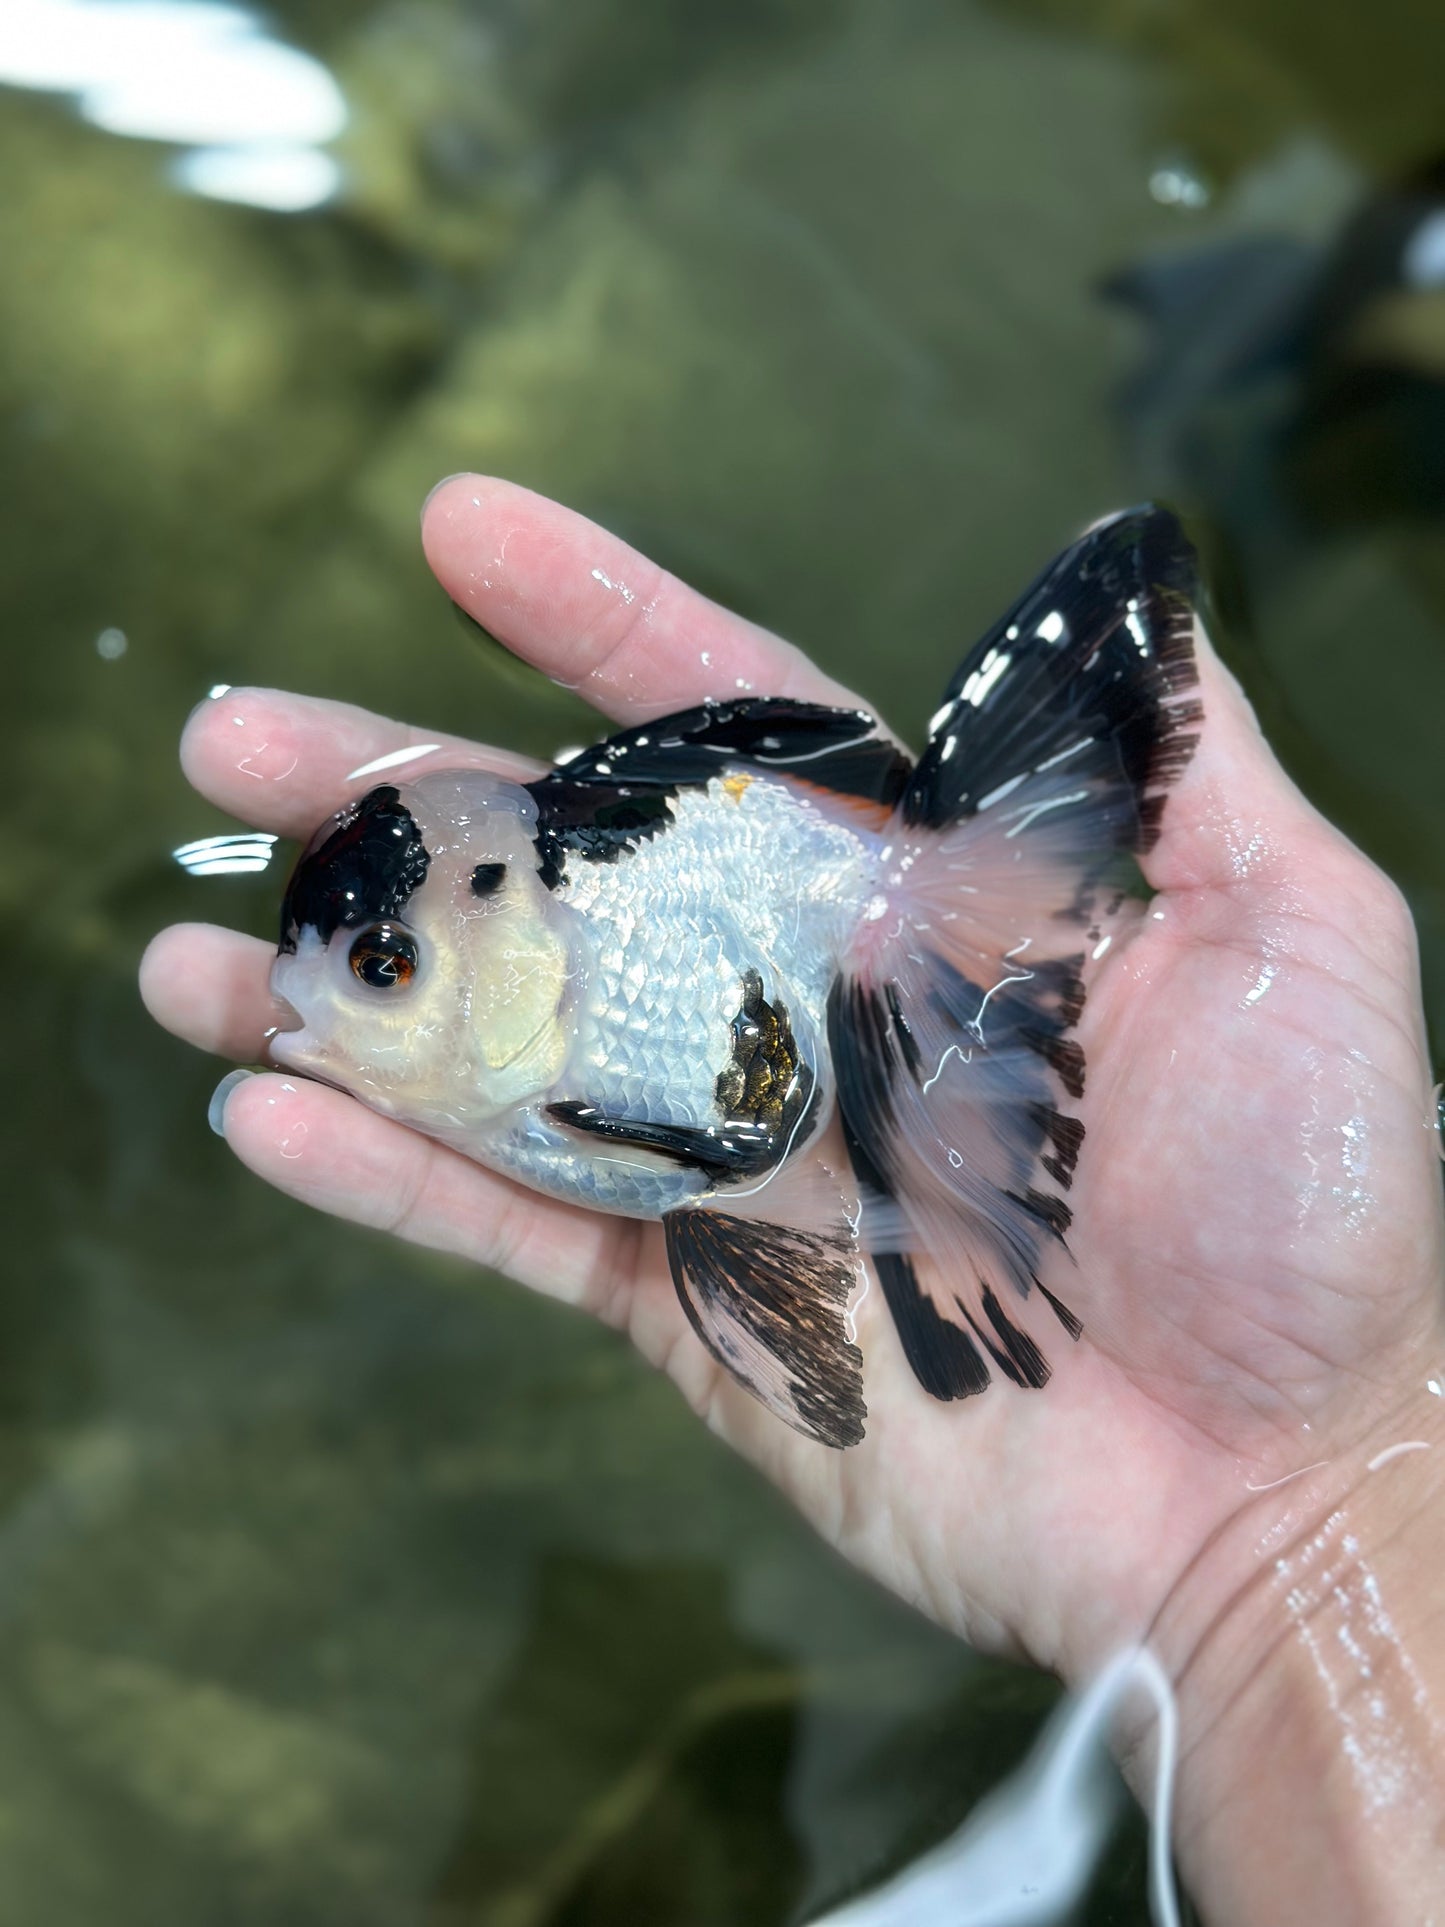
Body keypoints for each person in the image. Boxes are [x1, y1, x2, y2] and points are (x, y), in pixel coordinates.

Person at [141, 477, 1445, 1925]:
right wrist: (1316, 1507)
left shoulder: (597, 994)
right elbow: (716, 1178)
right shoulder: (530, 1040)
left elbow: (707, 1152)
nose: (332, 1014)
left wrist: (1320, 1479)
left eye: (388, 974)